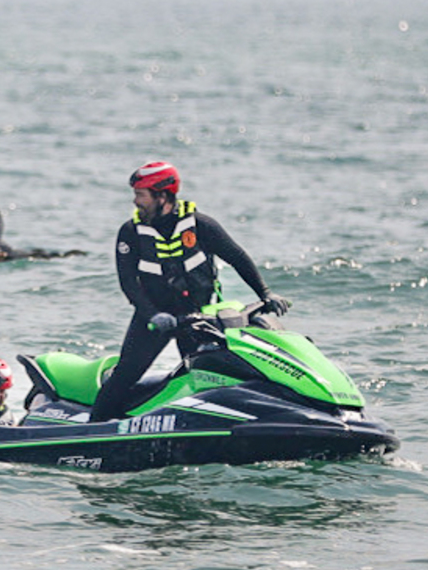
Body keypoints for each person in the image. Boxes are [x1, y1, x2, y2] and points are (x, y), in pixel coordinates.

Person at [89, 160, 292, 422]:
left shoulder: (201, 225)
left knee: (210, 375)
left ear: (162, 196)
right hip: (153, 319)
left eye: (141, 195)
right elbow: (128, 283)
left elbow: (237, 257)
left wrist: (265, 293)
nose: (136, 202)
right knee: (126, 373)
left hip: (197, 318)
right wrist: (152, 315)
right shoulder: (131, 233)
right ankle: (92, 427)